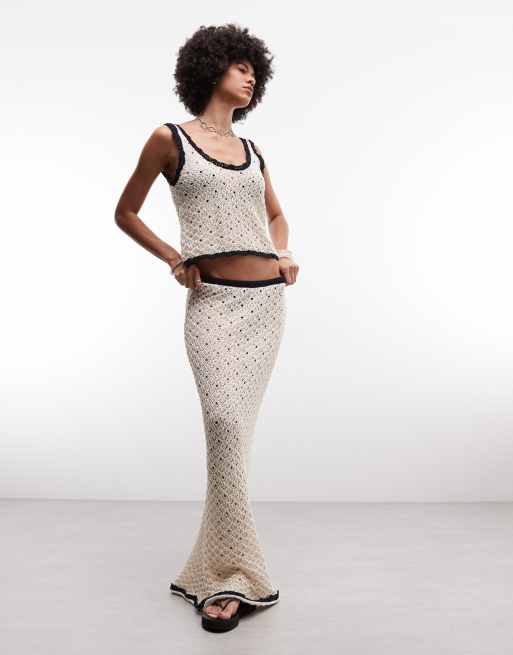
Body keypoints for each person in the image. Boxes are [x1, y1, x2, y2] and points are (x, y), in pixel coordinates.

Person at [114, 23, 299, 632]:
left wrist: (284, 252)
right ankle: (229, 574)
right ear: (211, 66)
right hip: (213, 304)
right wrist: (174, 257)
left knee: (235, 438)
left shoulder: (253, 151)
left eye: (255, 71)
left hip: (265, 305)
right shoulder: (169, 139)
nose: (250, 76)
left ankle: (223, 573)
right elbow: (125, 212)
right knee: (223, 425)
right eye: (240, 65)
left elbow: (276, 215)